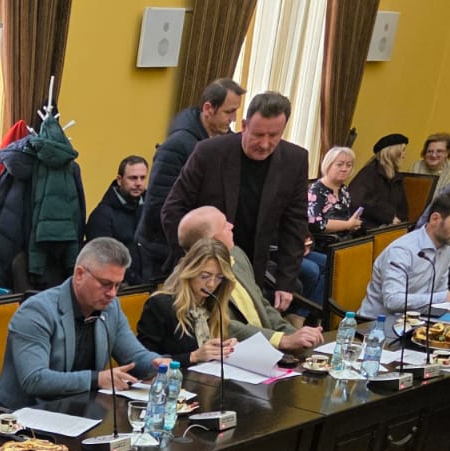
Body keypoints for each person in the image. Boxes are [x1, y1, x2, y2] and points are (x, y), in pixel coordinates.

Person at [160, 91, 310, 312]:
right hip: (201, 271)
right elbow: (172, 210)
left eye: (274, 135)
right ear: (244, 125)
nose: (265, 144)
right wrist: (197, 262)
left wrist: (285, 282)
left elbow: (295, 225)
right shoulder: (210, 152)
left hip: (251, 270)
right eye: (258, 134)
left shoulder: (295, 160)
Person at [0, 238, 161, 413]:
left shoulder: (111, 308)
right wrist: (96, 379)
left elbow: (134, 356)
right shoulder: (36, 311)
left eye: (118, 285)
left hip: (78, 411)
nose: (112, 293)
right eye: (105, 284)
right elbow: (35, 379)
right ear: (79, 274)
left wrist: (159, 365)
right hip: (20, 415)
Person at [135, 78, 244, 280]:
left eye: (236, 111)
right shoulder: (177, 146)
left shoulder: (226, 144)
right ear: (208, 108)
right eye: (228, 112)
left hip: (203, 251)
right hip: (166, 252)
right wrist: (192, 243)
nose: (233, 118)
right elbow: (159, 204)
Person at [176, 207, 324, 351]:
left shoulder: (237, 255)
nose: (231, 226)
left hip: (271, 348)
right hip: (236, 354)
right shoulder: (197, 278)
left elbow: (262, 304)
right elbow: (223, 325)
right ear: (213, 241)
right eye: (224, 225)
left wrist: (293, 334)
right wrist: (281, 340)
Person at [359, 190, 450, 320]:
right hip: (375, 324)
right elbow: (393, 301)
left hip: (417, 320)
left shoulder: (446, 249)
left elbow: (439, 296)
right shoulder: (402, 251)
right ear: (435, 219)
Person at [135, 239, 238, 367]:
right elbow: (144, 362)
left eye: (219, 277)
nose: (211, 284)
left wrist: (227, 348)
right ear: (190, 272)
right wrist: (193, 356)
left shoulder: (214, 304)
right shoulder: (160, 305)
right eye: (204, 276)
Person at [303, 146, 364, 313]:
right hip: (321, 244)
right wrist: (347, 225)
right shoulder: (317, 190)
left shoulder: (344, 190)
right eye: (340, 164)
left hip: (342, 243)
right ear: (328, 165)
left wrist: (353, 224)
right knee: (333, 266)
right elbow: (315, 223)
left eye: (349, 165)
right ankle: (307, 313)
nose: (345, 169)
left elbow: (346, 218)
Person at [84, 155, 148, 269]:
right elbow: (101, 260)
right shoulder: (102, 216)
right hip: (120, 279)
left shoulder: (151, 209)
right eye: (133, 178)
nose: (139, 183)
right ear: (119, 180)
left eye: (142, 178)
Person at [348, 134, 410, 228]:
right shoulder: (369, 173)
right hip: (368, 229)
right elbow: (360, 200)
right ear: (392, 153)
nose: (404, 156)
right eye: (403, 151)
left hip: (391, 228)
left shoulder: (396, 177)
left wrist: (401, 223)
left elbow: (402, 206)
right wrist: (389, 217)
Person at [411, 132, 450, 198]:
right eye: (430, 151)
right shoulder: (417, 166)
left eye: (439, 151)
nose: (433, 155)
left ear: (447, 153)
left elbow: (447, 198)